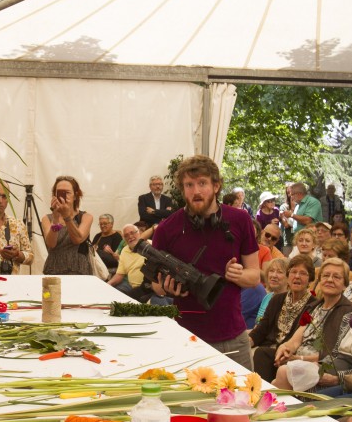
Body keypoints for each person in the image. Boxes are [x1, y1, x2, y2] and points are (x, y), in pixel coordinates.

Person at [150, 155, 260, 369]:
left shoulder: (240, 220)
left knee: (244, 400)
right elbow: (156, 285)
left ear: (216, 186)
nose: (196, 191)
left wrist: (239, 275)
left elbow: (254, 276)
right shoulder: (167, 229)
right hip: (185, 337)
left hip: (233, 338)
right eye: (189, 185)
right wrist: (165, 287)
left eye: (202, 183)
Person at [272, 258, 352, 390]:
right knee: (274, 378)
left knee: (282, 374)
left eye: (336, 277)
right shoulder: (315, 306)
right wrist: (285, 348)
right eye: (326, 275)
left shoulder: (348, 312)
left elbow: (331, 354)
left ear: (345, 284)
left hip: (321, 365)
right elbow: (295, 341)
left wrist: (298, 358)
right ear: (320, 280)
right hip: (297, 361)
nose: (329, 280)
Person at [249, 255, 317, 380]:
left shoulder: (314, 305)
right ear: (288, 276)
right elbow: (262, 329)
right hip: (269, 348)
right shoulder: (277, 299)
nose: (297, 276)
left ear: (310, 279)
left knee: (261, 353)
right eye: (293, 272)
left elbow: (301, 340)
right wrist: (247, 341)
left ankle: (263, 394)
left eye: (303, 273)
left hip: (289, 353)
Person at [42, 176, 94, 275]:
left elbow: (77, 239)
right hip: (53, 268)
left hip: (78, 269)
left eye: (67, 193)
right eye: (60, 192)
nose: (63, 196)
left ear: (75, 196)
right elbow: (51, 244)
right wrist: (56, 218)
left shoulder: (85, 217)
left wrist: (66, 217)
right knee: (51, 291)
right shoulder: (47, 218)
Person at [107, 224, 149, 300]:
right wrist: (108, 284)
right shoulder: (124, 251)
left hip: (149, 287)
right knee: (114, 294)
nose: (130, 237)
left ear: (139, 232)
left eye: (132, 233)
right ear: (124, 239)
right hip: (131, 286)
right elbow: (120, 274)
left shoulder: (150, 245)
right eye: (126, 235)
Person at [255, 257, 288, 324]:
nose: (274, 275)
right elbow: (257, 326)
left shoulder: (289, 301)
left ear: (288, 277)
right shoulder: (267, 297)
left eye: (280, 272)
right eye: (271, 271)